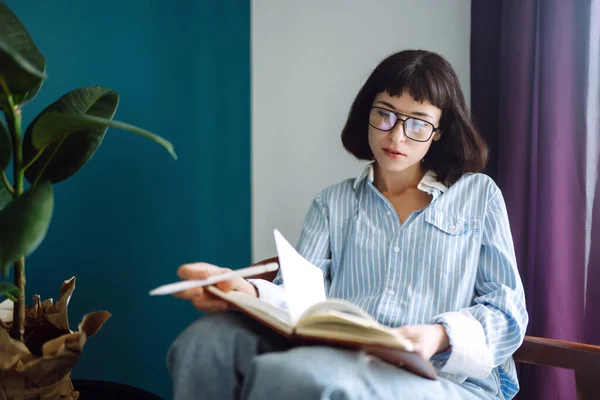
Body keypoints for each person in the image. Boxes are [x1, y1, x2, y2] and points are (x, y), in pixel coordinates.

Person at [167, 49, 529, 400]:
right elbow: (299, 300)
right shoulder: (333, 203)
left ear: (439, 131)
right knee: (206, 342)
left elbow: (507, 311)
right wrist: (242, 290)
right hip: (339, 357)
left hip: (443, 378)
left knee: (294, 373)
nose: (397, 135)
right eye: (385, 114)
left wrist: (438, 335)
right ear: (367, 113)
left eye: (418, 123)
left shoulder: (478, 195)